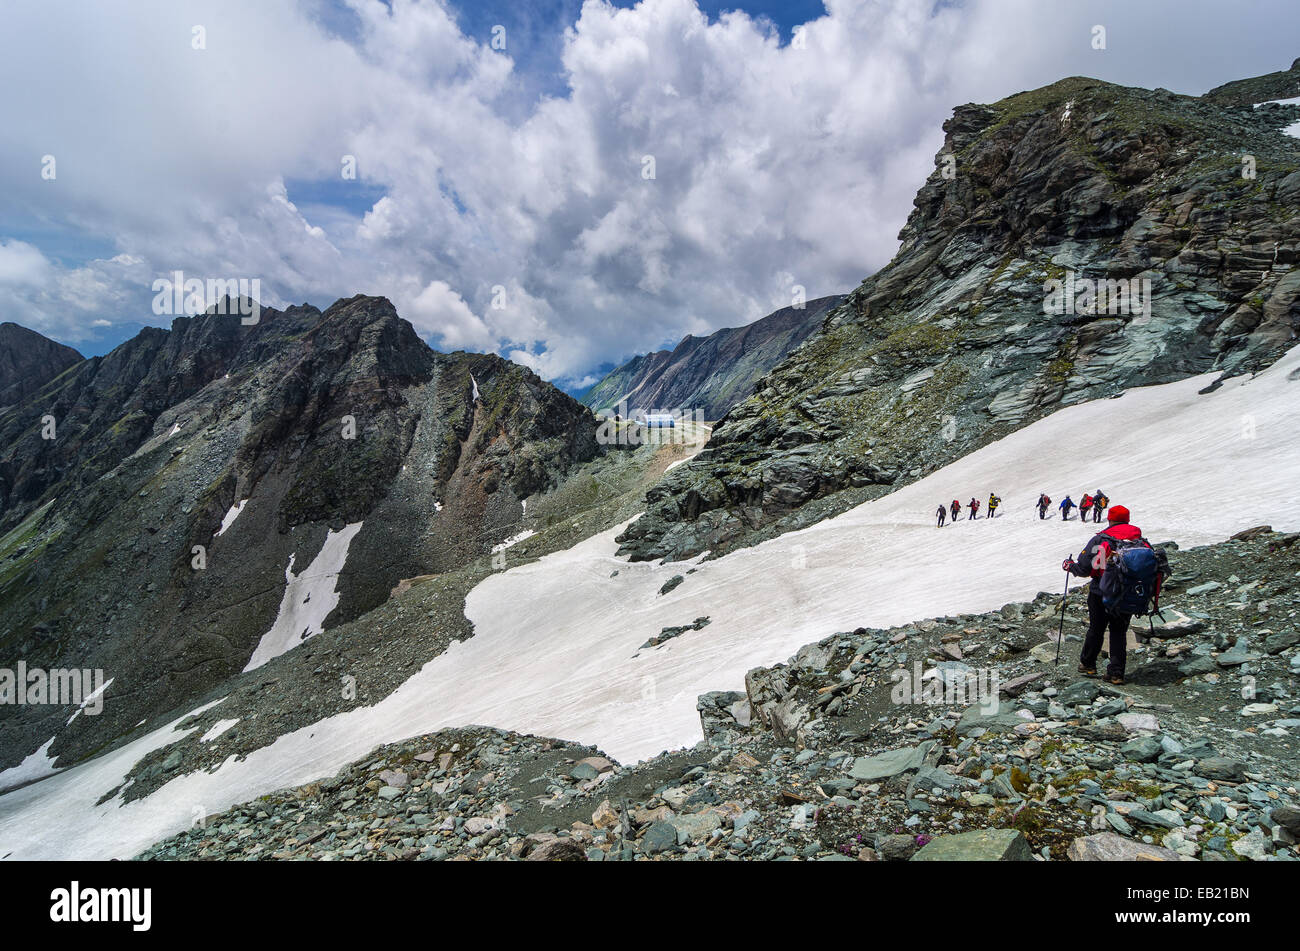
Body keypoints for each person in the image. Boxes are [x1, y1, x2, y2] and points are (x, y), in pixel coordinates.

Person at [1062, 505, 1159, 685]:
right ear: (1128, 519)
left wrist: (1069, 566)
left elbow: (1084, 568)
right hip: (1128, 592)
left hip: (1101, 591)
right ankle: (1116, 673)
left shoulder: (1101, 539)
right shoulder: (1139, 541)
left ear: (1110, 519)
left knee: (1097, 628)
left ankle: (1088, 664)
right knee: (1118, 632)